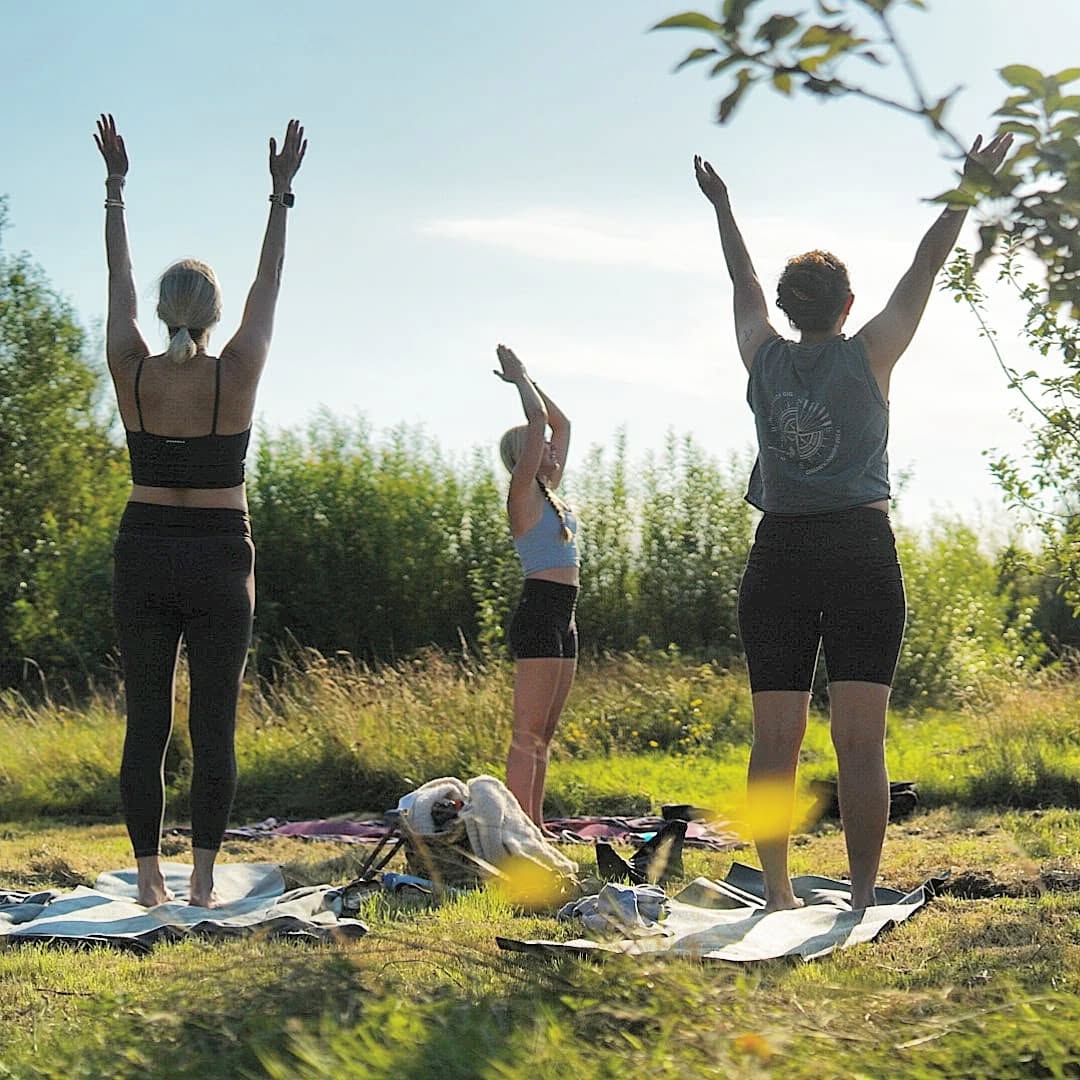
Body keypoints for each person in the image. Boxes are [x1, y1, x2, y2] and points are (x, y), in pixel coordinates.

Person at [694, 134, 1012, 911]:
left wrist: (724, 208)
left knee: (776, 741)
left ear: (788, 308)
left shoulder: (760, 355)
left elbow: (740, 281)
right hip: (860, 552)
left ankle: (777, 894)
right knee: (861, 742)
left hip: (779, 556)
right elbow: (926, 266)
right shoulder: (871, 352)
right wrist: (969, 186)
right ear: (846, 306)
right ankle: (864, 895)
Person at [94, 114, 307, 907]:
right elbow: (270, 285)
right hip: (221, 555)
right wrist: (280, 195)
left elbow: (115, 284)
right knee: (212, 726)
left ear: (160, 311)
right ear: (215, 314)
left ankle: (151, 880)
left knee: (144, 723)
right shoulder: (238, 369)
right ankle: (206, 882)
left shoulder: (131, 367)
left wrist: (116, 194)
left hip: (143, 548)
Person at [493, 345, 578, 830]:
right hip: (540, 613)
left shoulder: (553, 494)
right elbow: (541, 421)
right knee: (526, 735)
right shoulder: (523, 494)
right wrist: (520, 379)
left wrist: (532, 378)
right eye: (537, 444)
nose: (549, 447)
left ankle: (536, 825)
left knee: (545, 733)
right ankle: (516, 830)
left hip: (565, 616)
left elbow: (560, 424)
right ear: (523, 456)